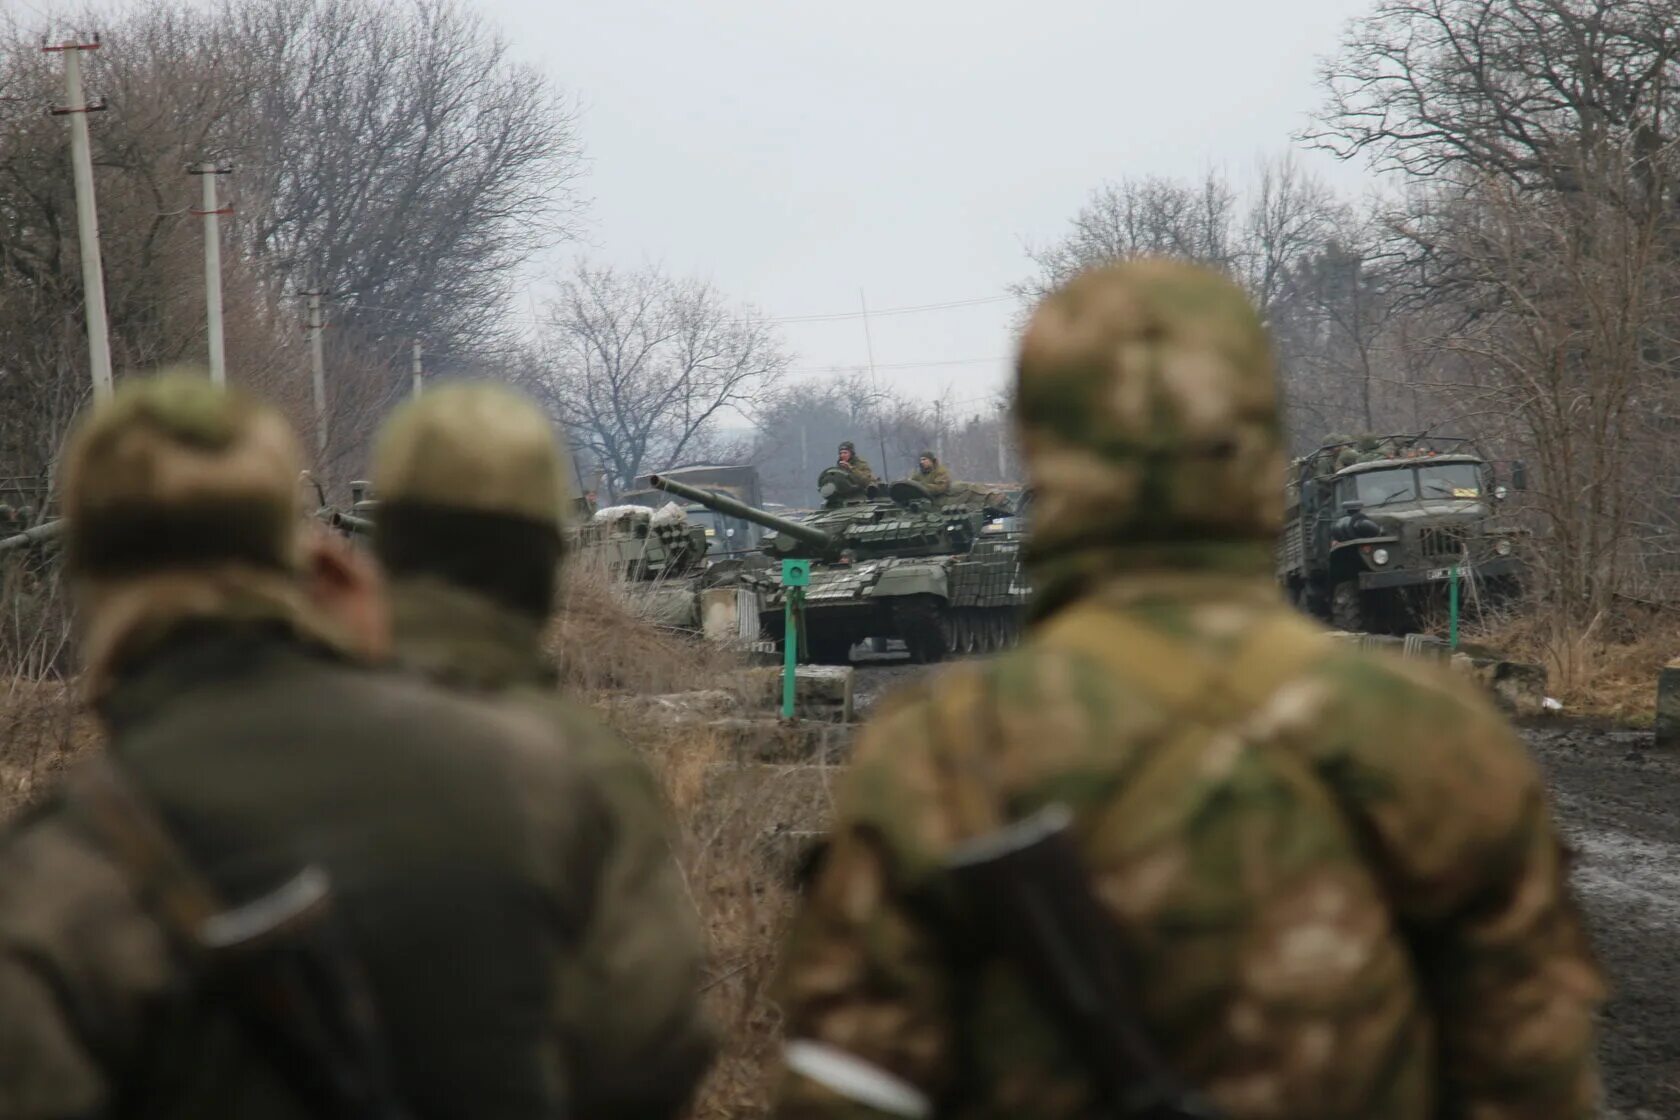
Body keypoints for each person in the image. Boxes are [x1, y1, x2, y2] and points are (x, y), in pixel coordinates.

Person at [771, 261, 1602, 1120]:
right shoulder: (1433, 735)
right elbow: (1533, 1080)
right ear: (1258, 450)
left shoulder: (940, 754)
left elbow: (846, 1093)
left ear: (1049, 457)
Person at [0, 376, 621, 1119]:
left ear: (88, 572)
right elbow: (642, 1049)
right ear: (302, 557)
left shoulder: (56, 876)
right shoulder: (530, 772)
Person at [368, 382, 713, 1119]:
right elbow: (651, 1038)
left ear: (389, 543)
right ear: (544, 553)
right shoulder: (584, 768)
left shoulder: (276, 726)